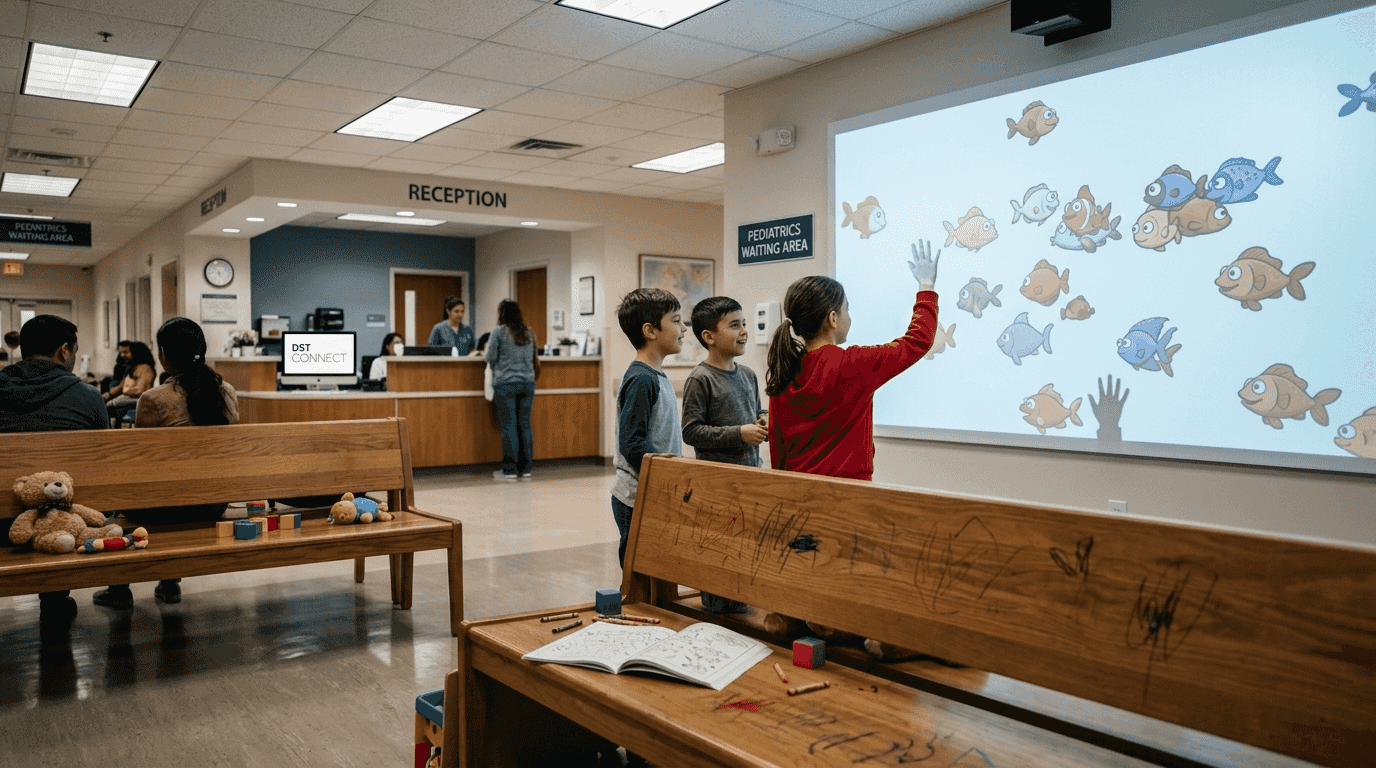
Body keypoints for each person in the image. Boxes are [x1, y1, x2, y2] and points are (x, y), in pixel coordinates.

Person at [93, 317, 239, 609]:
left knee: (121, 501)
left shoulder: (153, 399)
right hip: (213, 503)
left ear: (162, 354)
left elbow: (143, 463)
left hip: (165, 507)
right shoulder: (226, 392)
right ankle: (170, 581)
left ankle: (119, 587)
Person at [766, 241, 941, 481]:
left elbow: (778, 451)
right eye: (847, 309)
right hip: (850, 493)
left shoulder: (782, 372)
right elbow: (917, 341)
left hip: (798, 490)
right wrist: (926, 286)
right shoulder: (854, 364)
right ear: (833, 319)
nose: (850, 316)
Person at [0, 315, 107, 639]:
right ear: (64, 351)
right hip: (65, 523)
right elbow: (105, 463)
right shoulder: (87, 396)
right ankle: (55, 597)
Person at [681, 296, 766, 614]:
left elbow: (755, 413)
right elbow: (691, 432)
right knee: (719, 555)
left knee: (746, 554)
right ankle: (717, 616)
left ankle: (742, 610)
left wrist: (761, 421)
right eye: (734, 325)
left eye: (744, 324)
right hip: (717, 488)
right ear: (709, 337)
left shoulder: (748, 375)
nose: (744, 331)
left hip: (750, 481)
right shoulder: (700, 379)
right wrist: (738, 433)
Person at [611, 288, 685, 567]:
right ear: (650, 331)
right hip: (636, 498)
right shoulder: (642, 379)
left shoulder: (655, 375)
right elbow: (631, 443)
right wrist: (665, 473)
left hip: (654, 492)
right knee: (638, 577)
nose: (684, 328)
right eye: (676, 321)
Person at [485, 300, 541, 480]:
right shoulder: (529, 332)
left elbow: (490, 357)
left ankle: (509, 469)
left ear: (501, 314)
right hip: (527, 383)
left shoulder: (498, 332)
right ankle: (526, 469)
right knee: (524, 425)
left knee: (509, 425)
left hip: (505, 384)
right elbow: (534, 357)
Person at [103, 340, 155, 423]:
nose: (122, 355)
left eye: (126, 352)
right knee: (102, 403)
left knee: (109, 406)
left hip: (138, 400)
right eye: (120, 353)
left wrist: (126, 391)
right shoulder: (132, 368)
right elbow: (120, 387)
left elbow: (140, 390)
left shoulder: (145, 368)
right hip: (128, 398)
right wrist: (107, 395)